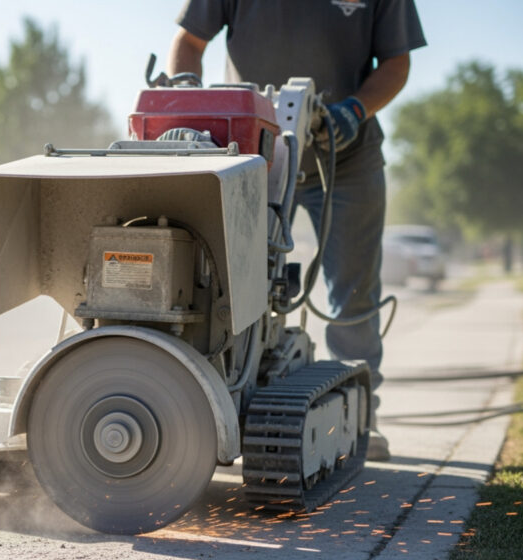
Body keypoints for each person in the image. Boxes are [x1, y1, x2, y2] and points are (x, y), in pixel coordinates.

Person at [168, 0, 426, 461]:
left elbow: (396, 62)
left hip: (346, 158)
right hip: (251, 152)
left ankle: (360, 417)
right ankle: (221, 400)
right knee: (233, 285)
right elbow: (189, 41)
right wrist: (188, 91)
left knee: (353, 291)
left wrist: (355, 110)